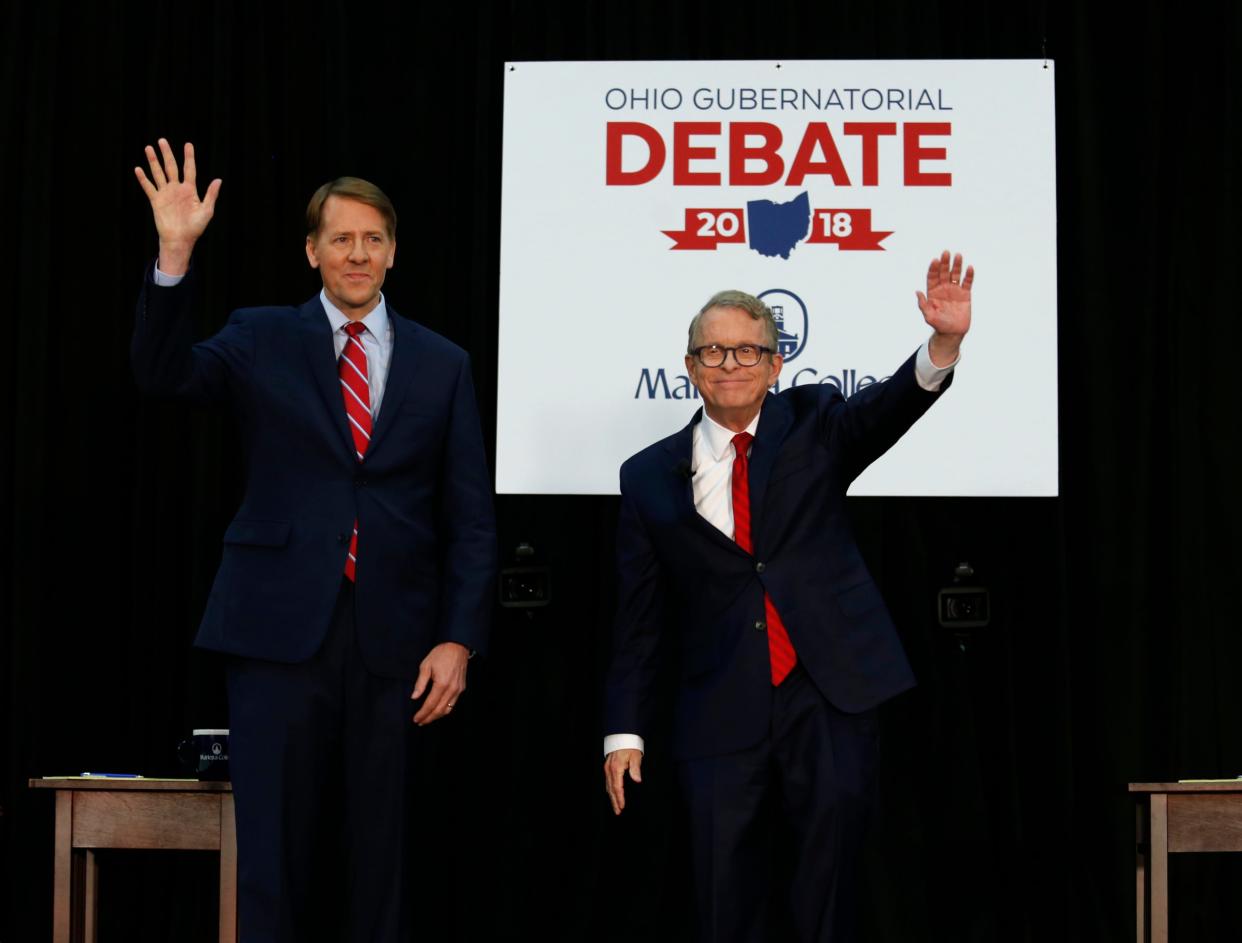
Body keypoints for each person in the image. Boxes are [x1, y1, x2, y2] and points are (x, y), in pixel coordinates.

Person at [131, 139, 497, 942]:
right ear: (312, 251)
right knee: (271, 855)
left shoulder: (444, 363)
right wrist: (174, 252)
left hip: (396, 644)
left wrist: (459, 638)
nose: (357, 253)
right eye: (341, 237)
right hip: (274, 632)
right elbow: (163, 377)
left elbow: (468, 516)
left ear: (393, 251)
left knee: (382, 860)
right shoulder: (262, 336)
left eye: (372, 238)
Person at [603, 254, 973, 942]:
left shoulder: (816, 421)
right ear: (689, 366)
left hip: (827, 690)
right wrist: (624, 729)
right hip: (716, 703)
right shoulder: (647, 475)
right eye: (713, 350)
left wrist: (942, 345)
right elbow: (639, 618)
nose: (730, 362)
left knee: (827, 887)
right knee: (719, 893)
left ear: (776, 367)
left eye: (749, 349)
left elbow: (887, 408)